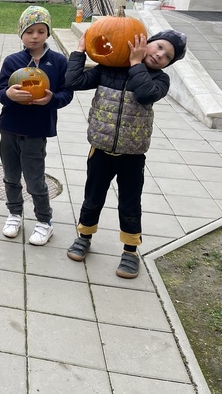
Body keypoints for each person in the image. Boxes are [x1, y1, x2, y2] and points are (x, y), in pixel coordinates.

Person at [65, 29, 187, 278]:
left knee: (130, 203)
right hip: (100, 149)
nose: (160, 55)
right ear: (144, 42)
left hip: (132, 155)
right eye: (159, 47)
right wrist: (79, 52)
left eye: (168, 56)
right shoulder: (109, 68)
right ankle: (84, 236)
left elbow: (145, 94)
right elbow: (73, 81)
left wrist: (135, 64)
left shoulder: (160, 80)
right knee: (93, 197)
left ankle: (130, 251)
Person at [0, 6, 73, 246]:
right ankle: (14, 213)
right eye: (29, 31)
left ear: (48, 33)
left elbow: (66, 93)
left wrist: (52, 100)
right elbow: (1, 92)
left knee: (35, 180)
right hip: (9, 128)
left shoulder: (58, 62)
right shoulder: (12, 61)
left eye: (41, 31)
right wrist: (9, 94)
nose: (35, 36)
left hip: (36, 131)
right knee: (10, 176)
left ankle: (44, 221)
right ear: (21, 33)